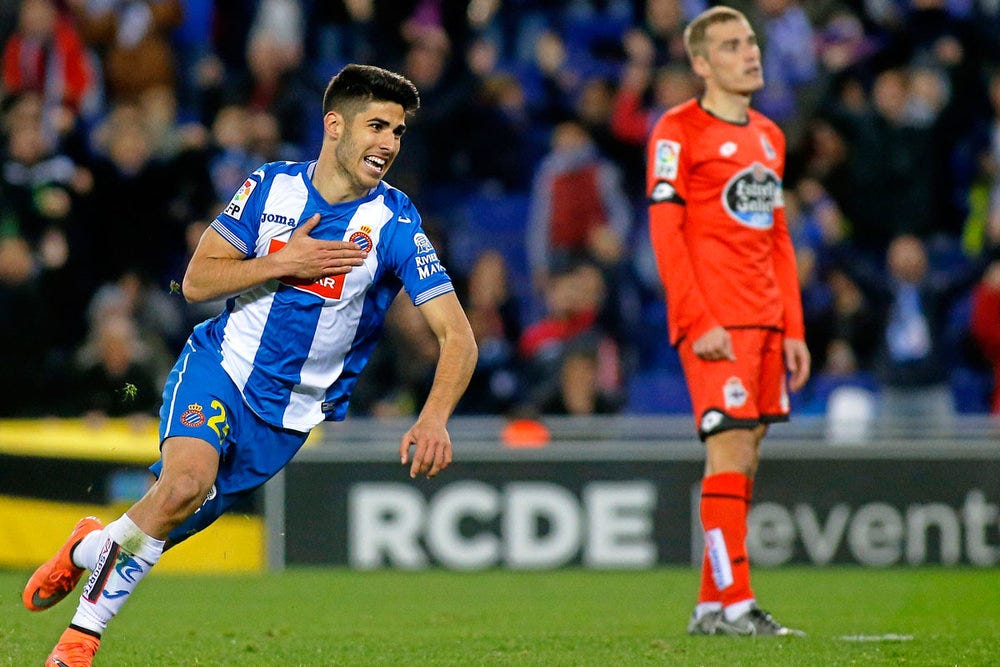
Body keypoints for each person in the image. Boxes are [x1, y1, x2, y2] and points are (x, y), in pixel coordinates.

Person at [22, 63, 478, 666]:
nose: (389, 144)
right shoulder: (270, 188)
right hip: (220, 368)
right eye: (377, 126)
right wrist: (281, 263)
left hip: (285, 419)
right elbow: (196, 281)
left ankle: (86, 550)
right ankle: (76, 646)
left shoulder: (395, 224)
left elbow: (459, 337)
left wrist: (434, 418)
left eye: (397, 132)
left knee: (159, 519)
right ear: (334, 125)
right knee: (182, 484)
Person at [645, 7, 810, 637]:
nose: (751, 53)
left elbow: (779, 239)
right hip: (718, 322)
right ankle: (739, 604)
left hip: (766, 322)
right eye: (733, 46)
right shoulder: (677, 130)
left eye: (750, 42)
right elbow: (667, 232)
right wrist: (696, 318)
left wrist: (792, 328)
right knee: (730, 452)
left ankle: (712, 607)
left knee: (744, 459)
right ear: (701, 62)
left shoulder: (771, 136)